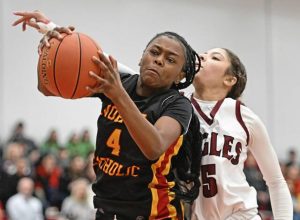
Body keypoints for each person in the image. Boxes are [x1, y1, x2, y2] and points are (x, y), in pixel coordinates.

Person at [13, 10, 202, 219]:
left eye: (170, 59)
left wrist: (118, 94)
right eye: (154, 52)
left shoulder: (177, 104)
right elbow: (47, 89)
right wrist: (50, 54)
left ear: (180, 75)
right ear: (141, 57)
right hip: (106, 209)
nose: (158, 60)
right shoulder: (116, 82)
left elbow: (154, 147)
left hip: (154, 213)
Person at [184, 48, 293, 219]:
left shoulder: (243, 116)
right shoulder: (177, 106)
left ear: (229, 79)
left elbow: (276, 181)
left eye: (215, 57)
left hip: (241, 215)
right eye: (203, 54)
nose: (203, 56)